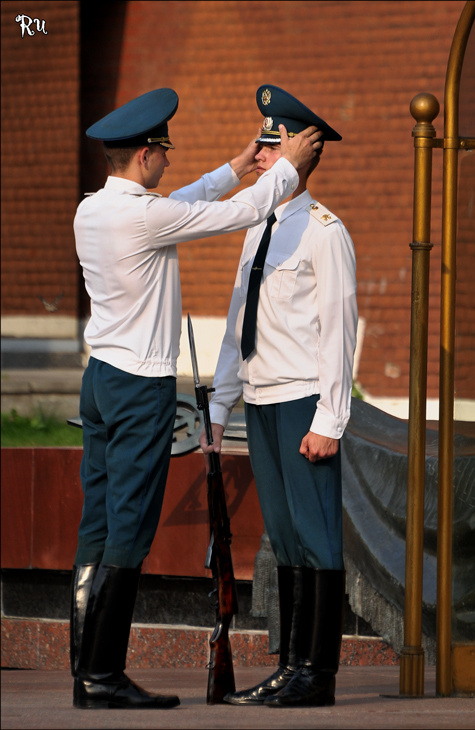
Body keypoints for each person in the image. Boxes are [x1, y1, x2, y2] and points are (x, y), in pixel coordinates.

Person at [70, 87, 322, 711]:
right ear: (145, 155)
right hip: (139, 389)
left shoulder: (93, 210)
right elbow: (239, 214)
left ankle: (84, 669)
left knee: (97, 524)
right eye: (163, 151)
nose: (168, 160)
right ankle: (103, 675)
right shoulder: (144, 217)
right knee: (129, 528)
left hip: (100, 380)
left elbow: (185, 202)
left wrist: (238, 165)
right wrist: (288, 166)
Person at [199, 84, 358, 708]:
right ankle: (290, 667)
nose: (260, 154)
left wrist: (330, 419)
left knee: (317, 538)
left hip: (302, 403)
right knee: (286, 539)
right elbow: (239, 321)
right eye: (262, 145)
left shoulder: (324, 232)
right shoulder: (256, 228)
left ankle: (317, 674)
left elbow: (340, 332)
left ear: (299, 151)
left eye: (272, 144)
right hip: (261, 400)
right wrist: (219, 406)